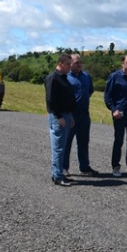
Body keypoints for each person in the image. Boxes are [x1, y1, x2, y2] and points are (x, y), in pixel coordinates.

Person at [103, 54, 127, 177]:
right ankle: (115, 166)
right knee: (118, 140)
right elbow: (107, 96)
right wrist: (113, 110)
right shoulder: (114, 77)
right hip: (119, 114)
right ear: (122, 64)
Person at [63, 54, 98, 176]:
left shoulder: (86, 76)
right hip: (71, 114)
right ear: (71, 63)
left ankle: (84, 167)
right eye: (77, 62)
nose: (79, 64)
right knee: (67, 142)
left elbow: (90, 91)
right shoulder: (66, 77)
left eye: (80, 62)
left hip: (84, 114)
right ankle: (64, 167)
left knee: (83, 141)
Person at [45, 53, 77, 187]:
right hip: (59, 117)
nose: (70, 67)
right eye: (68, 64)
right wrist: (59, 117)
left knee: (62, 147)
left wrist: (71, 116)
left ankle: (58, 174)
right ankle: (57, 176)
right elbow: (51, 100)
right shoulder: (53, 78)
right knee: (58, 148)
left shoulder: (64, 77)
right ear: (61, 63)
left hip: (67, 115)